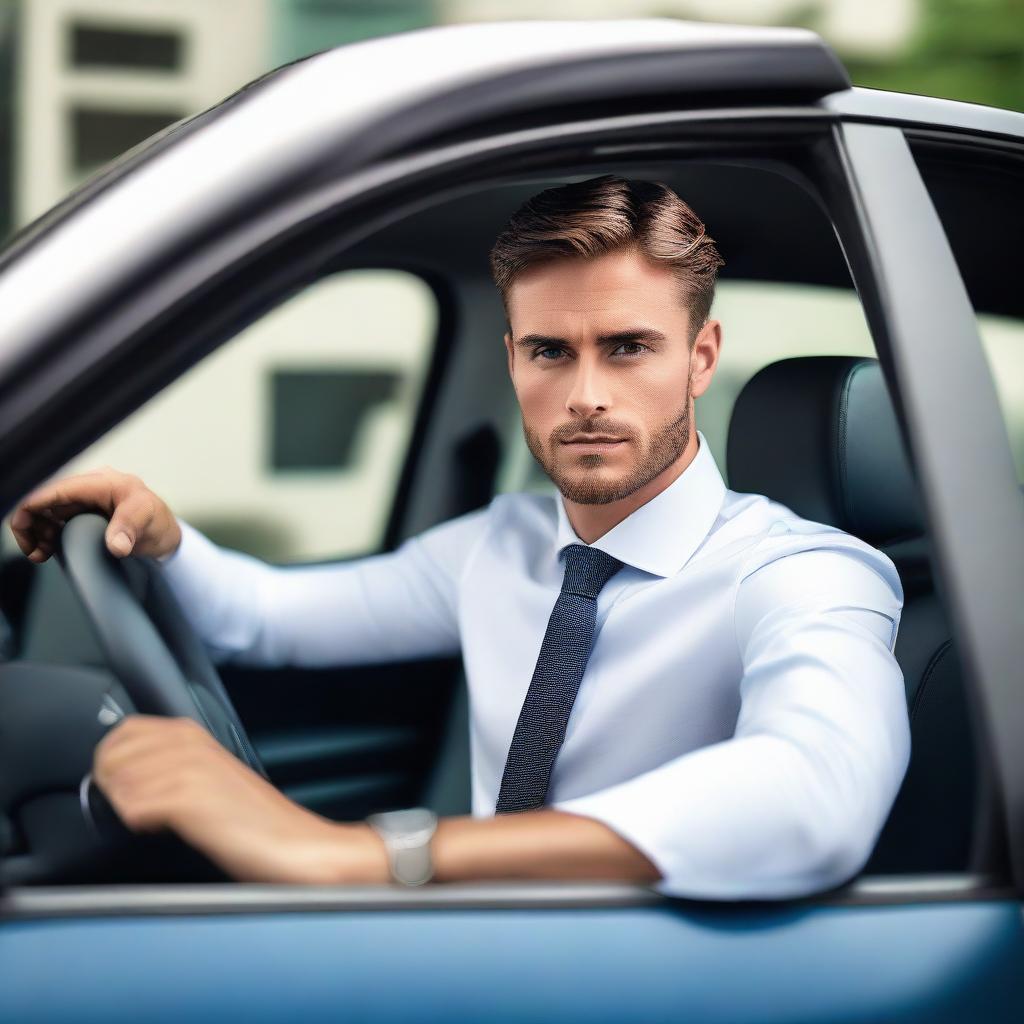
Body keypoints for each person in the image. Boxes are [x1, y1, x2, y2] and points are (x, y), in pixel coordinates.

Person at [8, 174, 909, 899]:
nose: (587, 393)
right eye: (551, 351)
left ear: (701, 357)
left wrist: (365, 855)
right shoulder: (502, 542)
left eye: (628, 347)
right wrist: (163, 537)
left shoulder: (803, 573)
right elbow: (269, 618)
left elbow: (814, 793)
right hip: (472, 960)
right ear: (515, 359)